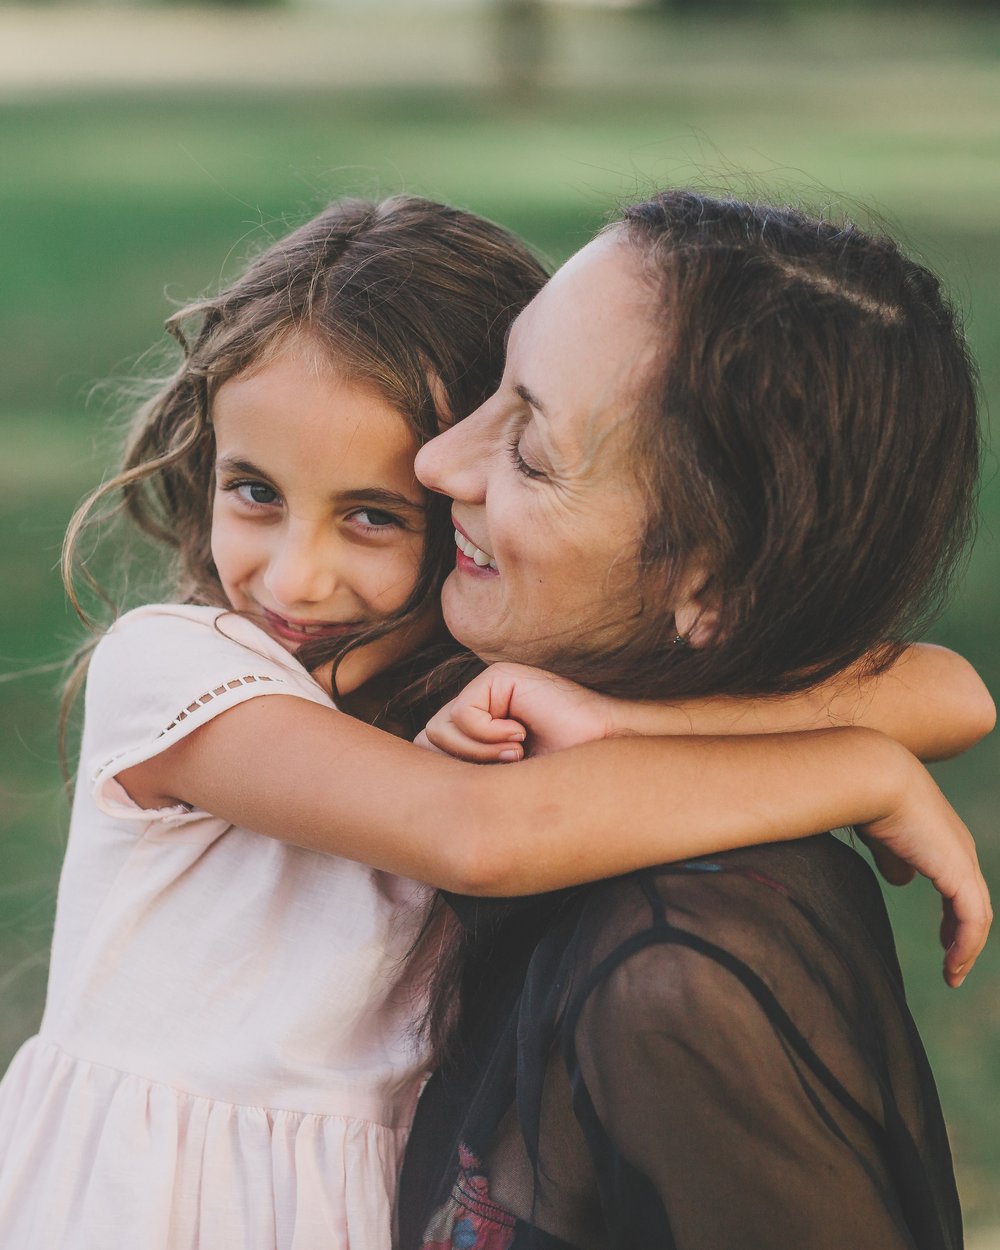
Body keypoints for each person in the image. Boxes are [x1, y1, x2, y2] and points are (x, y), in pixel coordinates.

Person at [0, 196, 987, 1250]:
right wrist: (861, 773)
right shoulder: (180, 668)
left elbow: (949, 689)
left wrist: (620, 716)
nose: (294, 574)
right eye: (252, 491)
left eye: (373, 514)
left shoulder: (484, 679)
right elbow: (475, 833)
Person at [395, 191, 994, 1249]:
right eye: (495, 385)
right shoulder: (478, 655)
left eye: (532, 454)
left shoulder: (680, 974)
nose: (436, 461)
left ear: (706, 584)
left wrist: (863, 764)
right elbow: (944, 689)